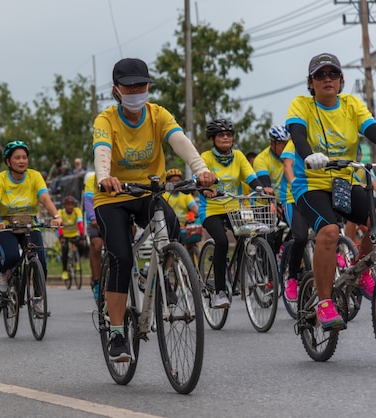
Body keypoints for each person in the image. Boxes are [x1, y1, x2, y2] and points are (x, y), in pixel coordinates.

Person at [93, 58, 215, 362]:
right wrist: (103, 177)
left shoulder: (157, 114)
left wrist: (201, 170)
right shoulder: (106, 120)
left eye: (141, 85)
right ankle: (118, 333)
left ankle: (154, 278)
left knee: (172, 229)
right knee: (121, 257)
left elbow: (179, 141)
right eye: (129, 86)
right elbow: (102, 149)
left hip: (148, 191)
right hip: (113, 196)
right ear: (116, 91)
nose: (136, 90)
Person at [286, 52, 376, 330]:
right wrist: (310, 155)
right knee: (329, 232)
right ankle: (325, 303)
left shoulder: (351, 104)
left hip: (343, 183)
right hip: (311, 184)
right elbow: (298, 133)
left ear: (341, 80)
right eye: (320, 75)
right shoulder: (302, 104)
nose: (327, 79)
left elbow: (372, 129)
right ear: (311, 83)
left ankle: (360, 267)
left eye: (333, 74)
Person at [199, 119, 274, 309]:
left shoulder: (239, 156)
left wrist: (261, 188)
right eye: (220, 135)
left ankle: (243, 272)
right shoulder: (206, 157)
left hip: (233, 209)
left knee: (250, 233)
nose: (225, 137)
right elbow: (199, 179)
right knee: (222, 242)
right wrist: (206, 190)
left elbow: (251, 177)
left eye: (229, 135)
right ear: (213, 139)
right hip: (211, 209)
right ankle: (219, 292)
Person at [0, 140, 63, 315]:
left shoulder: (35, 176)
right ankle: (2, 271)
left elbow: (44, 198)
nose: (22, 161)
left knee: (41, 262)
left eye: (24, 157)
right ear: (8, 161)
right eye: (17, 158)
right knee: (13, 256)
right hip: (5, 225)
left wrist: (56, 216)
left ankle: (38, 299)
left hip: (29, 223)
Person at [277, 131, 310, 303]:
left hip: (317, 194)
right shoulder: (293, 143)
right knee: (301, 237)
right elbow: (288, 166)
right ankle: (292, 277)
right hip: (293, 197)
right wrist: (295, 184)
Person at [253, 125, 291, 254]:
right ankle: (266, 266)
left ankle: (286, 252)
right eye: (281, 144)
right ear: (272, 143)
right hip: (264, 204)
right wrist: (274, 202)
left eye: (287, 143)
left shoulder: (291, 157)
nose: (285, 147)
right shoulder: (262, 159)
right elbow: (265, 185)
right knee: (268, 238)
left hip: (286, 201)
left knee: (301, 230)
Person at [83, 173, 103, 302]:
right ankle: (96, 282)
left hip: (111, 219)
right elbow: (88, 201)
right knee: (97, 245)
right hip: (95, 220)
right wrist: (93, 218)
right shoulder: (92, 180)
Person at [57, 195, 85, 282]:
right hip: (64, 234)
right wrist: (61, 236)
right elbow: (59, 225)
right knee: (65, 249)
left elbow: (80, 223)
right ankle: (65, 270)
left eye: (72, 204)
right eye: (68, 204)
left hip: (74, 234)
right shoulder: (60, 212)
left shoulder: (77, 211)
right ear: (64, 205)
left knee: (81, 246)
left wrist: (82, 234)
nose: (70, 207)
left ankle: (77, 260)